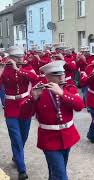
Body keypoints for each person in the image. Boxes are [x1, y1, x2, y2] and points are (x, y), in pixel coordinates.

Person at [20, 60, 84, 180]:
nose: (61, 77)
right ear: (48, 76)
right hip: (48, 138)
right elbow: (24, 114)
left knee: (57, 170)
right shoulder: (39, 90)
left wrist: (62, 93)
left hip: (67, 135)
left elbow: (80, 106)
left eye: (62, 74)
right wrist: (33, 98)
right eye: (56, 75)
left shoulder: (68, 88)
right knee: (61, 175)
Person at [0, 46, 38, 180]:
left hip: (25, 105)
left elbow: (35, 79)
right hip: (10, 106)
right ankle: (22, 170)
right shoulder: (4, 68)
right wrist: (2, 70)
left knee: (23, 136)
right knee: (16, 137)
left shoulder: (26, 67)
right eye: (17, 57)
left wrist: (18, 69)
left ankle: (16, 156)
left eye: (21, 56)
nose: (20, 59)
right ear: (10, 58)